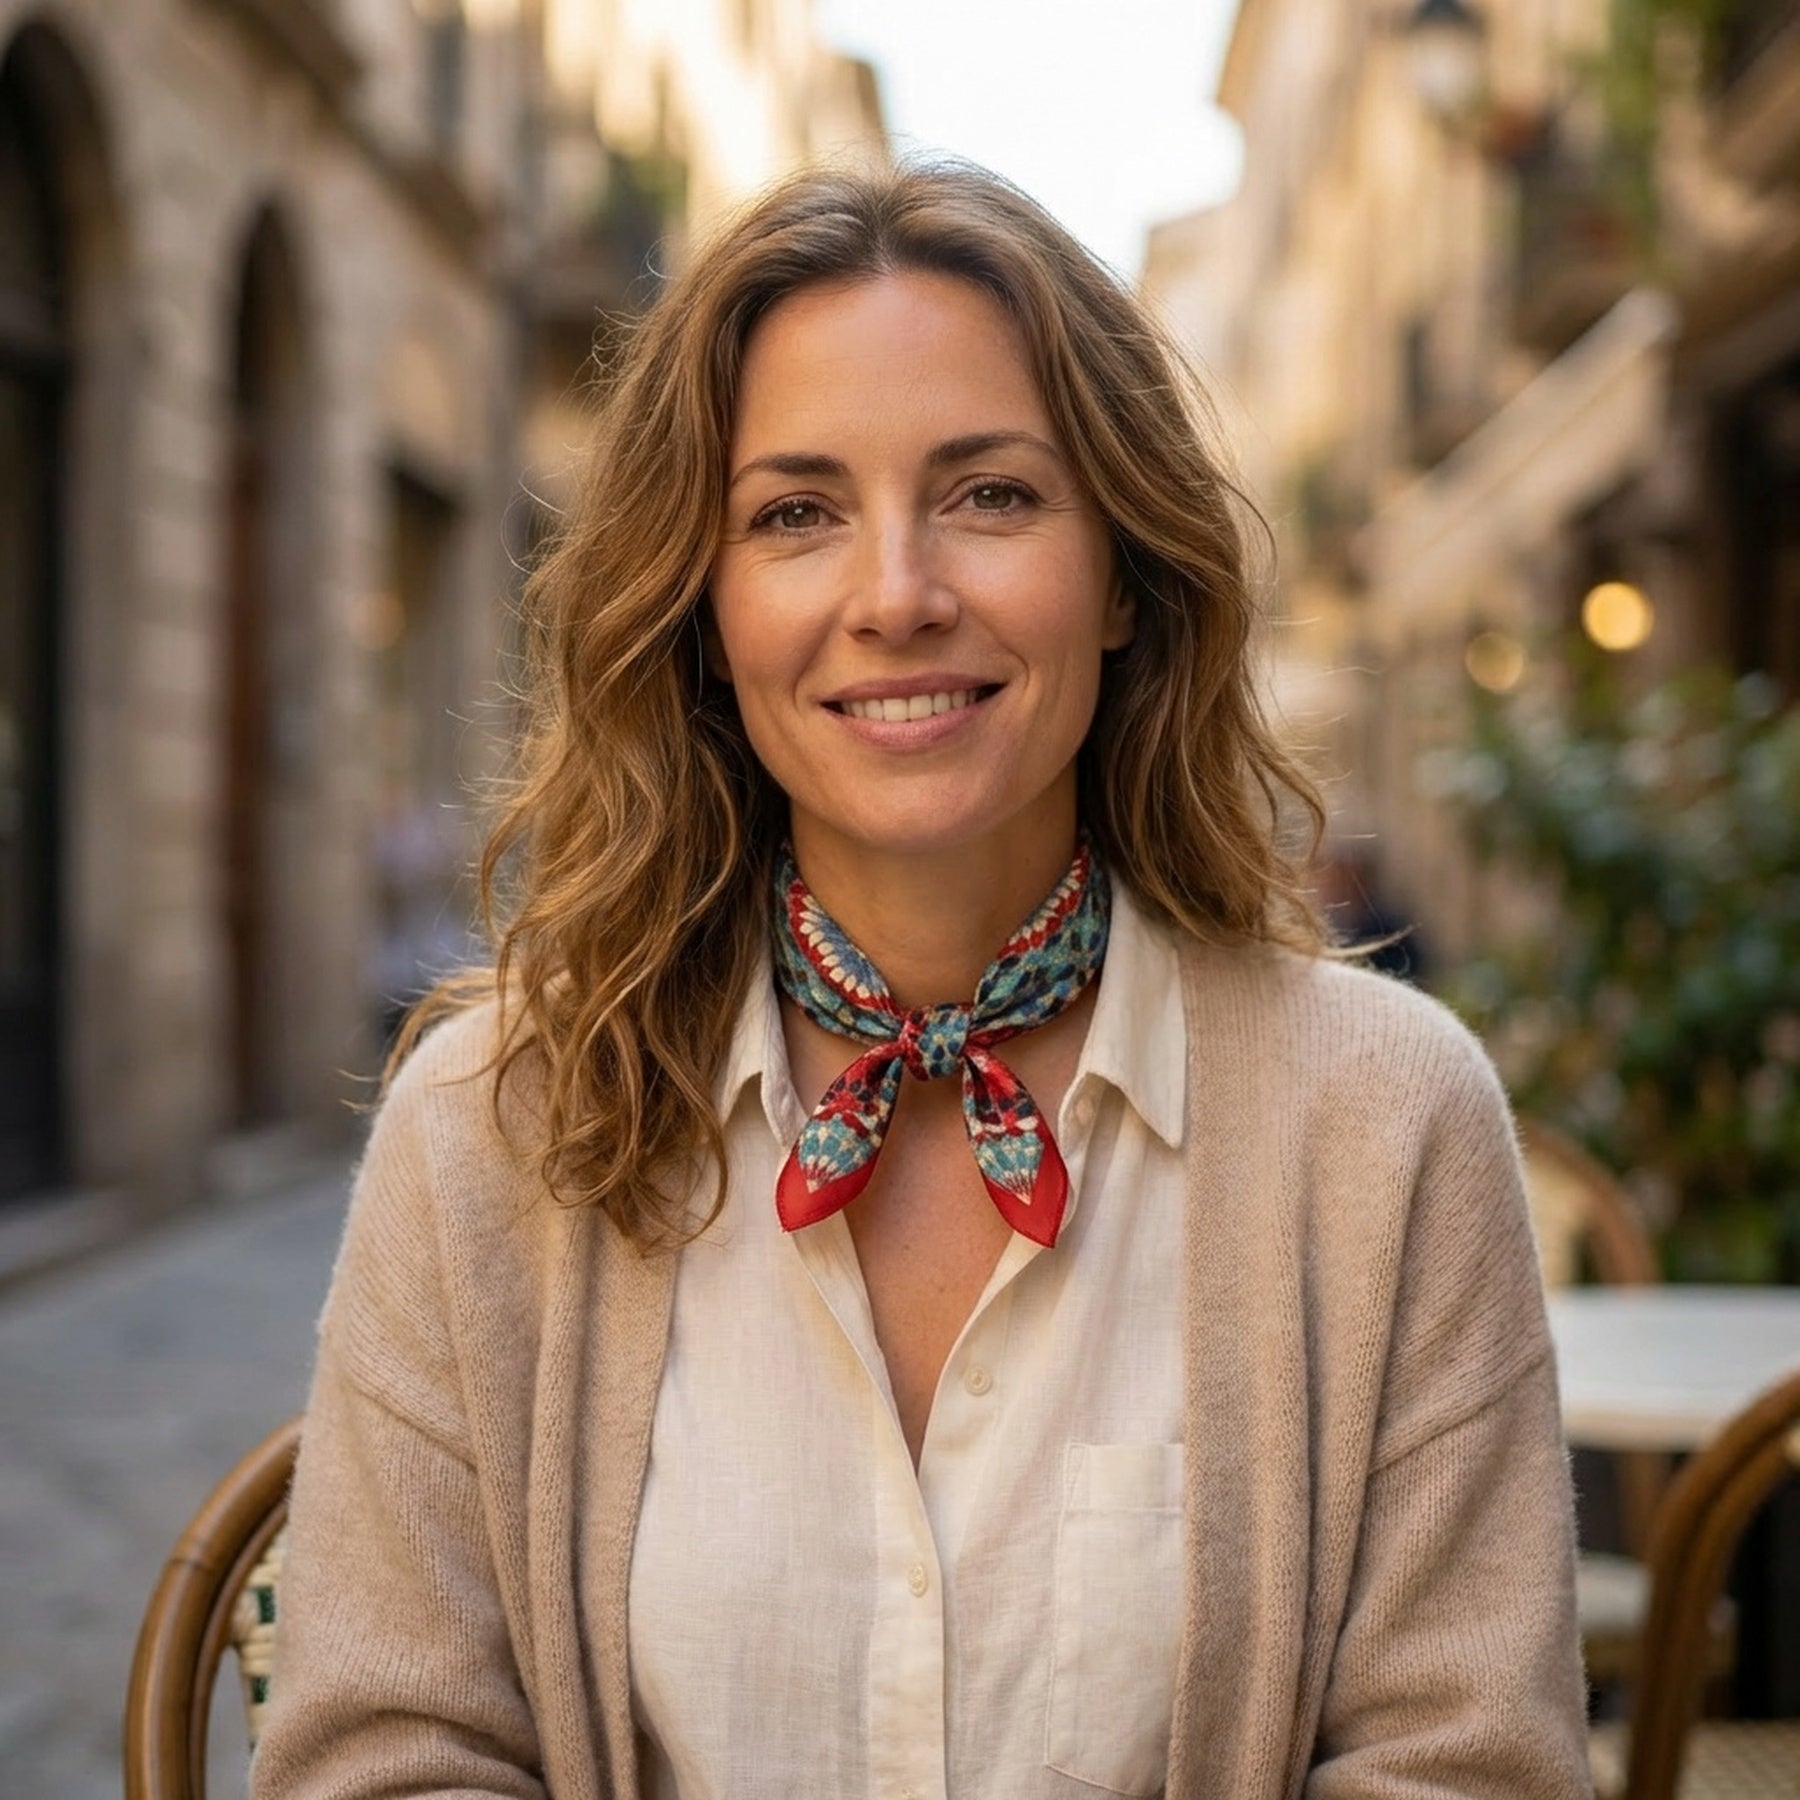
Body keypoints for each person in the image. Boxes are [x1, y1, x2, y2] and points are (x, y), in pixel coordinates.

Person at [252, 160, 1590, 1800]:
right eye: (796, 514)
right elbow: (384, 1759)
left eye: (993, 495)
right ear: (705, 603)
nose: (897, 596)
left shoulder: (1389, 1122)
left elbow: (1469, 1768)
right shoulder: (485, 1130)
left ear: (1124, 577)